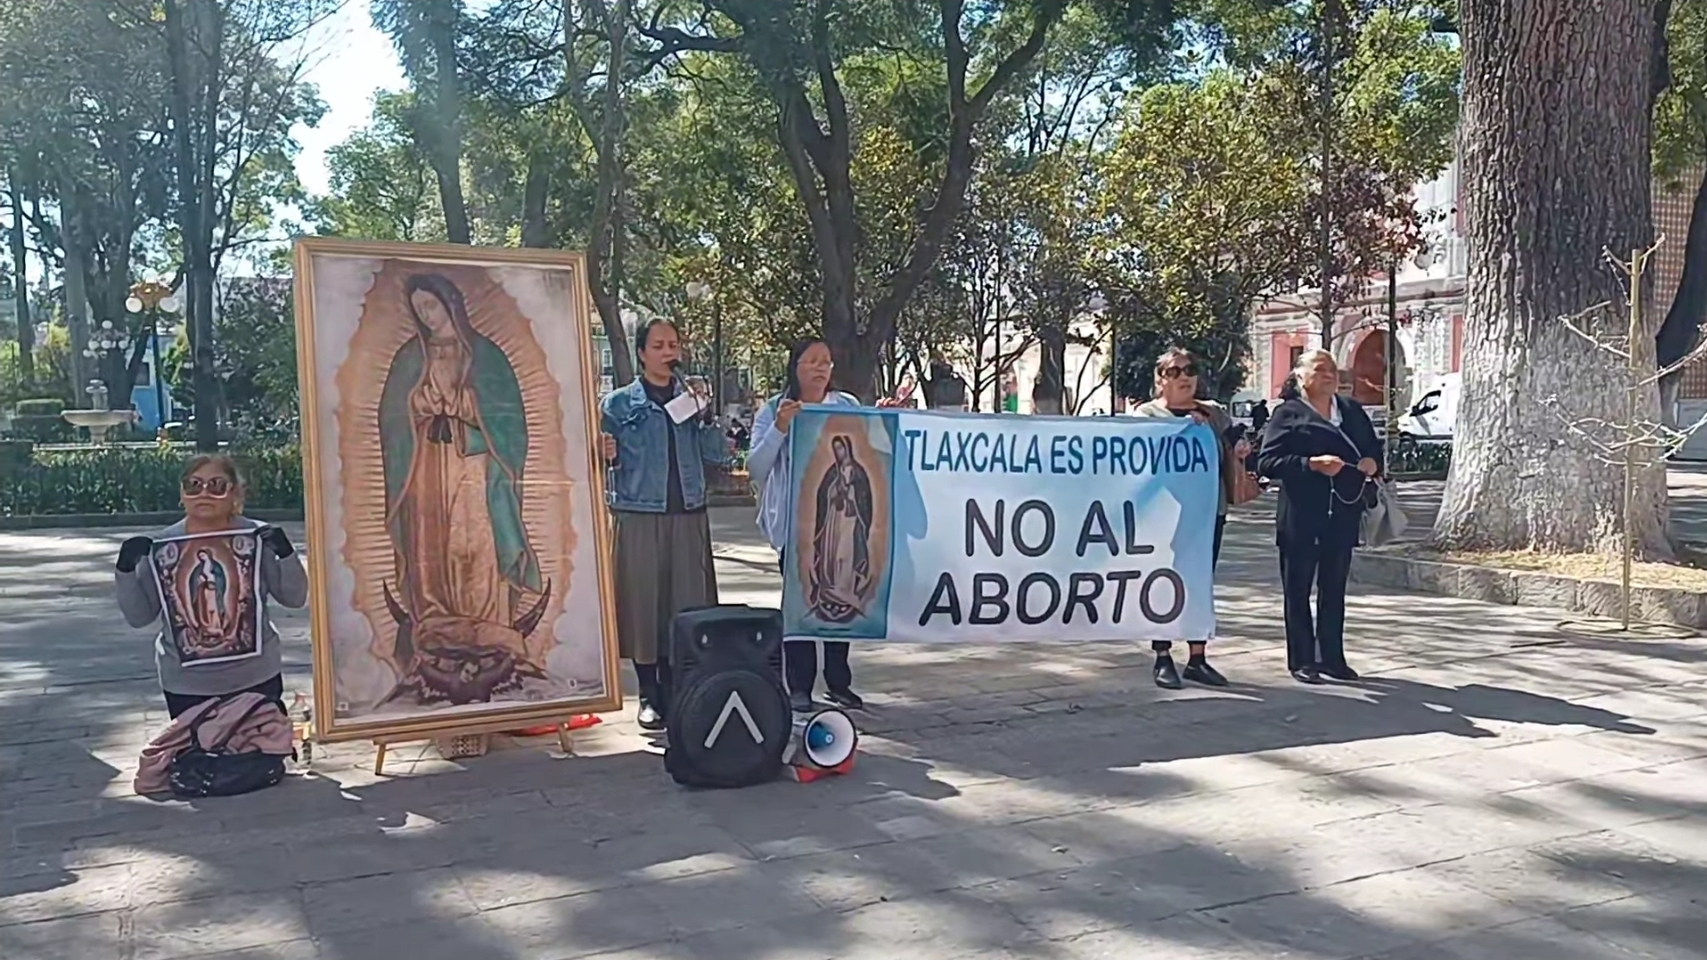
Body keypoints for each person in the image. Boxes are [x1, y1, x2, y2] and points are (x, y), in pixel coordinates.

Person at [378, 273, 544, 632]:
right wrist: (417, 404)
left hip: (474, 464)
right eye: (419, 309)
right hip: (424, 463)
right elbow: (391, 415)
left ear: (450, 303)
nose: (426, 315)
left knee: (474, 539)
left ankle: (484, 618)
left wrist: (466, 405)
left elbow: (508, 417)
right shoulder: (410, 356)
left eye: (431, 305)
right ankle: (435, 616)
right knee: (429, 539)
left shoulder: (486, 356)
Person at [600, 319, 730, 730]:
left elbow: (717, 458)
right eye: (657, 345)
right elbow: (600, 461)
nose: (667, 352)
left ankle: (680, 691)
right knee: (644, 604)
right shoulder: (619, 404)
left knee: (685, 605)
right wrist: (603, 451)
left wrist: (706, 417)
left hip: (688, 513)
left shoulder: (691, 399)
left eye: (672, 344)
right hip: (639, 513)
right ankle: (648, 693)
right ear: (641, 353)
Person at [114, 455, 308, 719]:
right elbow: (140, 617)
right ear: (182, 494)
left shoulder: (259, 538)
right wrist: (125, 571)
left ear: (234, 492)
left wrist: (286, 555)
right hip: (187, 685)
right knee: (197, 748)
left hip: (256, 677)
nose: (204, 493)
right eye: (193, 485)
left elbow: (294, 599)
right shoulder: (163, 546)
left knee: (260, 746)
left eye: (216, 485)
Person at [748, 338, 866, 712]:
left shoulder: (846, 406)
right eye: (812, 361)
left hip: (841, 522)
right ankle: (799, 685)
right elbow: (757, 467)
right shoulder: (774, 409)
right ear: (795, 366)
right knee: (801, 602)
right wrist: (780, 428)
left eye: (826, 361)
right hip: (795, 526)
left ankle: (838, 681)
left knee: (840, 593)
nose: (820, 368)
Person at [1258, 348, 1381, 685]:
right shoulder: (1287, 414)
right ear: (1301, 375)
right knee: (1298, 590)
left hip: (1342, 513)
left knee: (1334, 589)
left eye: (1333, 369)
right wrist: (1310, 464)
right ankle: (1302, 659)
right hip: (1301, 516)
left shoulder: (1352, 411)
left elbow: (1373, 449)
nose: (1329, 374)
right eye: (1320, 368)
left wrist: (1372, 463)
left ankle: (1332, 658)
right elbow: (1266, 462)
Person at [1131, 347, 1247, 689]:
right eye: (1174, 371)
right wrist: (1179, 429)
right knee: (1163, 582)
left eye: (1189, 370)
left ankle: (1198, 658)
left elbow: (1236, 440)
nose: (1184, 377)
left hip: (1209, 513)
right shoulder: (1147, 415)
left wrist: (1241, 446)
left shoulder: (1213, 413)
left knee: (1200, 582)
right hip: (1165, 514)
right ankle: (1163, 655)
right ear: (1160, 380)